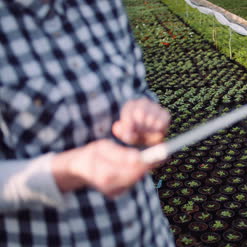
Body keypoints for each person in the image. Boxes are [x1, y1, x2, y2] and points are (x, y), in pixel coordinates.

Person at [0, 0, 174, 246]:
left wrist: (146, 115)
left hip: (149, 233)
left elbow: (137, 88)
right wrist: (69, 169)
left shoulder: (104, 6)